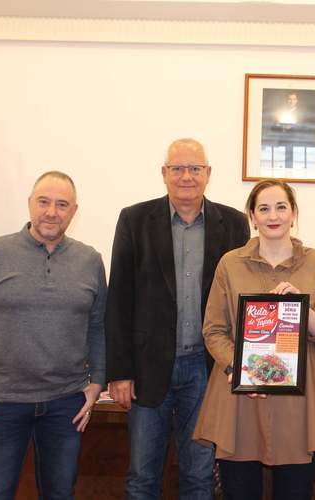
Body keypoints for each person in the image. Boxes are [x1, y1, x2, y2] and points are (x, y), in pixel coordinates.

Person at [105, 138, 249, 499]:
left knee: (199, 475)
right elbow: (119, 298)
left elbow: (242, 300)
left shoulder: (233, 224)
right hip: (147, 368)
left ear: (208, 174)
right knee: (142, 476)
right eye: (178, 168)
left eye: (195, 169)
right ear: (164, 173)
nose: (187, 176)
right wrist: (119, 371)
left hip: (207, 370)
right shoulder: (134, 220)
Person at [193, 179, 315, 500]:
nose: (273, 215)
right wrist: (243, 369)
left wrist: (308, 315)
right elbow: (213, 330)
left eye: (281, 207)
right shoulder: (230, 264)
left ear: (293, 213)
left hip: (298, 405)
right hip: (240, 400)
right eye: (263, 208)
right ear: (252, 216)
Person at [0, 171, 106, 499]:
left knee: (60, 493)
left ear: (74, 211)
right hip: (0, 403)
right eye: (43, 202)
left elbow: (98, 326)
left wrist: (98, 380)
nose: (51, 212)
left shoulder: (90, 261)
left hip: (65, 404)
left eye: (62, 205)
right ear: (30, 204)